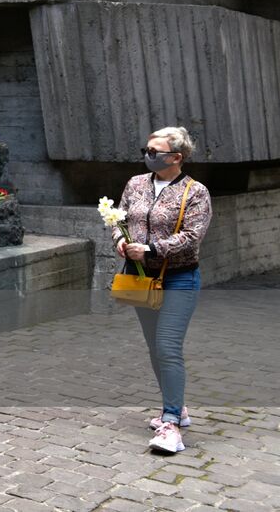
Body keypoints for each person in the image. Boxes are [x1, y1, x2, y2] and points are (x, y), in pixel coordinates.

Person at [113, 126, 213, 455]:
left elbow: (192, 236)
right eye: (146, 150)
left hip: (179, 278)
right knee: (156, 348)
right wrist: (120, 241)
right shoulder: (136, 184)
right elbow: (118, 218)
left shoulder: (195, 192)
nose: (148, 155)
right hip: (141, 279)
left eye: (155, 152)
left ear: (176, 157)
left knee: (168, 347)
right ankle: (177, 408)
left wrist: (151, 249)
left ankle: (171, 424)